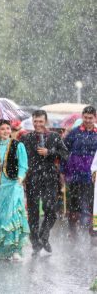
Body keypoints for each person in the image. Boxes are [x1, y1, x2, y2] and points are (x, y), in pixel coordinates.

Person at [20, 110, 68, 255]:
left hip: (50, 178)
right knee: (33, 213)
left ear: (45, 122)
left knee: (51, 210)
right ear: (32, 122)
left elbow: (65, 154)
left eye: (41, 121)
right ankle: (35, 242)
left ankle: (44, 235)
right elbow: (19, 156)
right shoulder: (26, 138)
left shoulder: (54, 136)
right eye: (35, 121)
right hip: (32, 178)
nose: (38, 124)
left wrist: (50, 152)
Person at [0, 119, 30, 261]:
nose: (6, 131)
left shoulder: (18, 145)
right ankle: (3, 248)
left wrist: (19, 180)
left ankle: (15, 249)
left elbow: (23, 165)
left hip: (13, 185)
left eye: (8, 128)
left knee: (12, 217)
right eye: (2, 129)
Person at [63, 106, 97, 237]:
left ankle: (92, 227)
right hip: (74, 173)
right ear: (82, 117)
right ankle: (72, 229)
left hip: (92, 174)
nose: (88, 120)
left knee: (92, 202)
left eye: (90, 118)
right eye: (86, 117)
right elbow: (64, 150)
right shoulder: (74, 132)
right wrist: (62, 170)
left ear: (95, 118)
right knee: (74, 203)